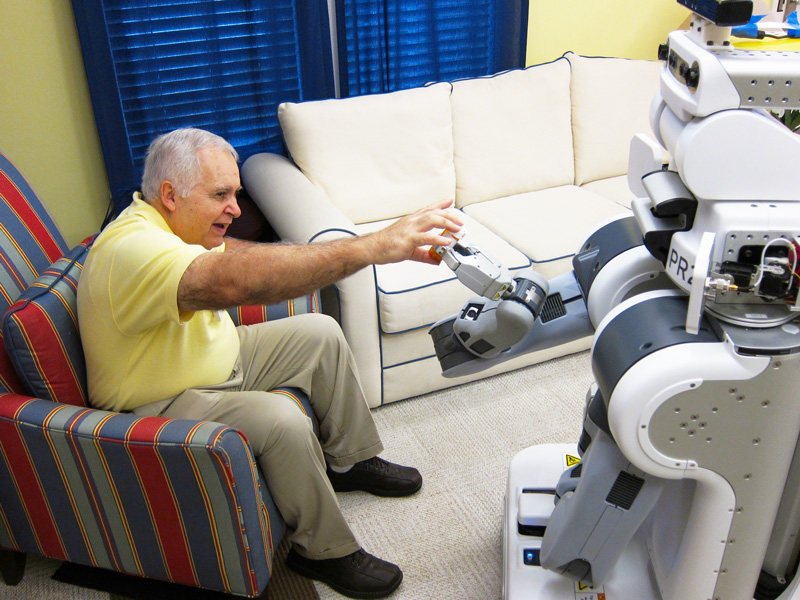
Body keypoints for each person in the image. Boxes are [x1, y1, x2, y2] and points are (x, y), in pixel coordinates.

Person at [76, 127, 464, 599]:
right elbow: (232, 281)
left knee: (320, 333)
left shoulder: (174, 225)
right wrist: (372, 246)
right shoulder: (131, 249)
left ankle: (349, 461)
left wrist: (333, 248)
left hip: (215, 358)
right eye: (221, 194)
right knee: (282, 419)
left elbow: (240, 256)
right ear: (170, 194)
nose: (236, 209)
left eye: (235, 194)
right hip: (159, 401)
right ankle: (321, 551)